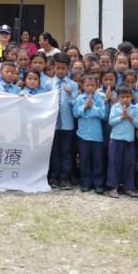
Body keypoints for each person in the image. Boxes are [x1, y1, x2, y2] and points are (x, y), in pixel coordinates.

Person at [72, 74, 106, 194]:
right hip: (83, 135)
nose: (90, 87)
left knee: (98, 161)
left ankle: (98, 184)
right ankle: (86, 183)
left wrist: (93, 107)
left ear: (97, 86)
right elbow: (75, 113)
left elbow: (103, 114)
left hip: (97, 136)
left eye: (93, 85)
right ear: (83, 85)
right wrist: (85, 106)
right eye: (87, 85)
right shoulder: (80, 98)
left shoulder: (100, 98)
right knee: (84, 159)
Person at [106, 87, 138, 198]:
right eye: (123, 97)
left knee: (129, 164)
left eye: (128, 97)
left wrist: (129, 117)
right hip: (116, 139)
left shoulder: (134, 109)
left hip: (129, 140)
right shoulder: (115, 107)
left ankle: (128, 187)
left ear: (132, 97)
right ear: (118, 97)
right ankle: (113, 187)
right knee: (114, 164)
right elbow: (111, 122)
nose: (125, 99)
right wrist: (122, 117)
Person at [48, 53, 76, 189]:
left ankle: (64, 177)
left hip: (67, 125)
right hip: (52, 125)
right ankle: (54, 176)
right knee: (54, 151)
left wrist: (70, 94)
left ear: (68, 69)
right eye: (58, 68)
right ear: (53, 67)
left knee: (66, 151)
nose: (60, 71)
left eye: (63, 68)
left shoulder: (73, 85)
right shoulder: (48, 84)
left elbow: (76, 106)